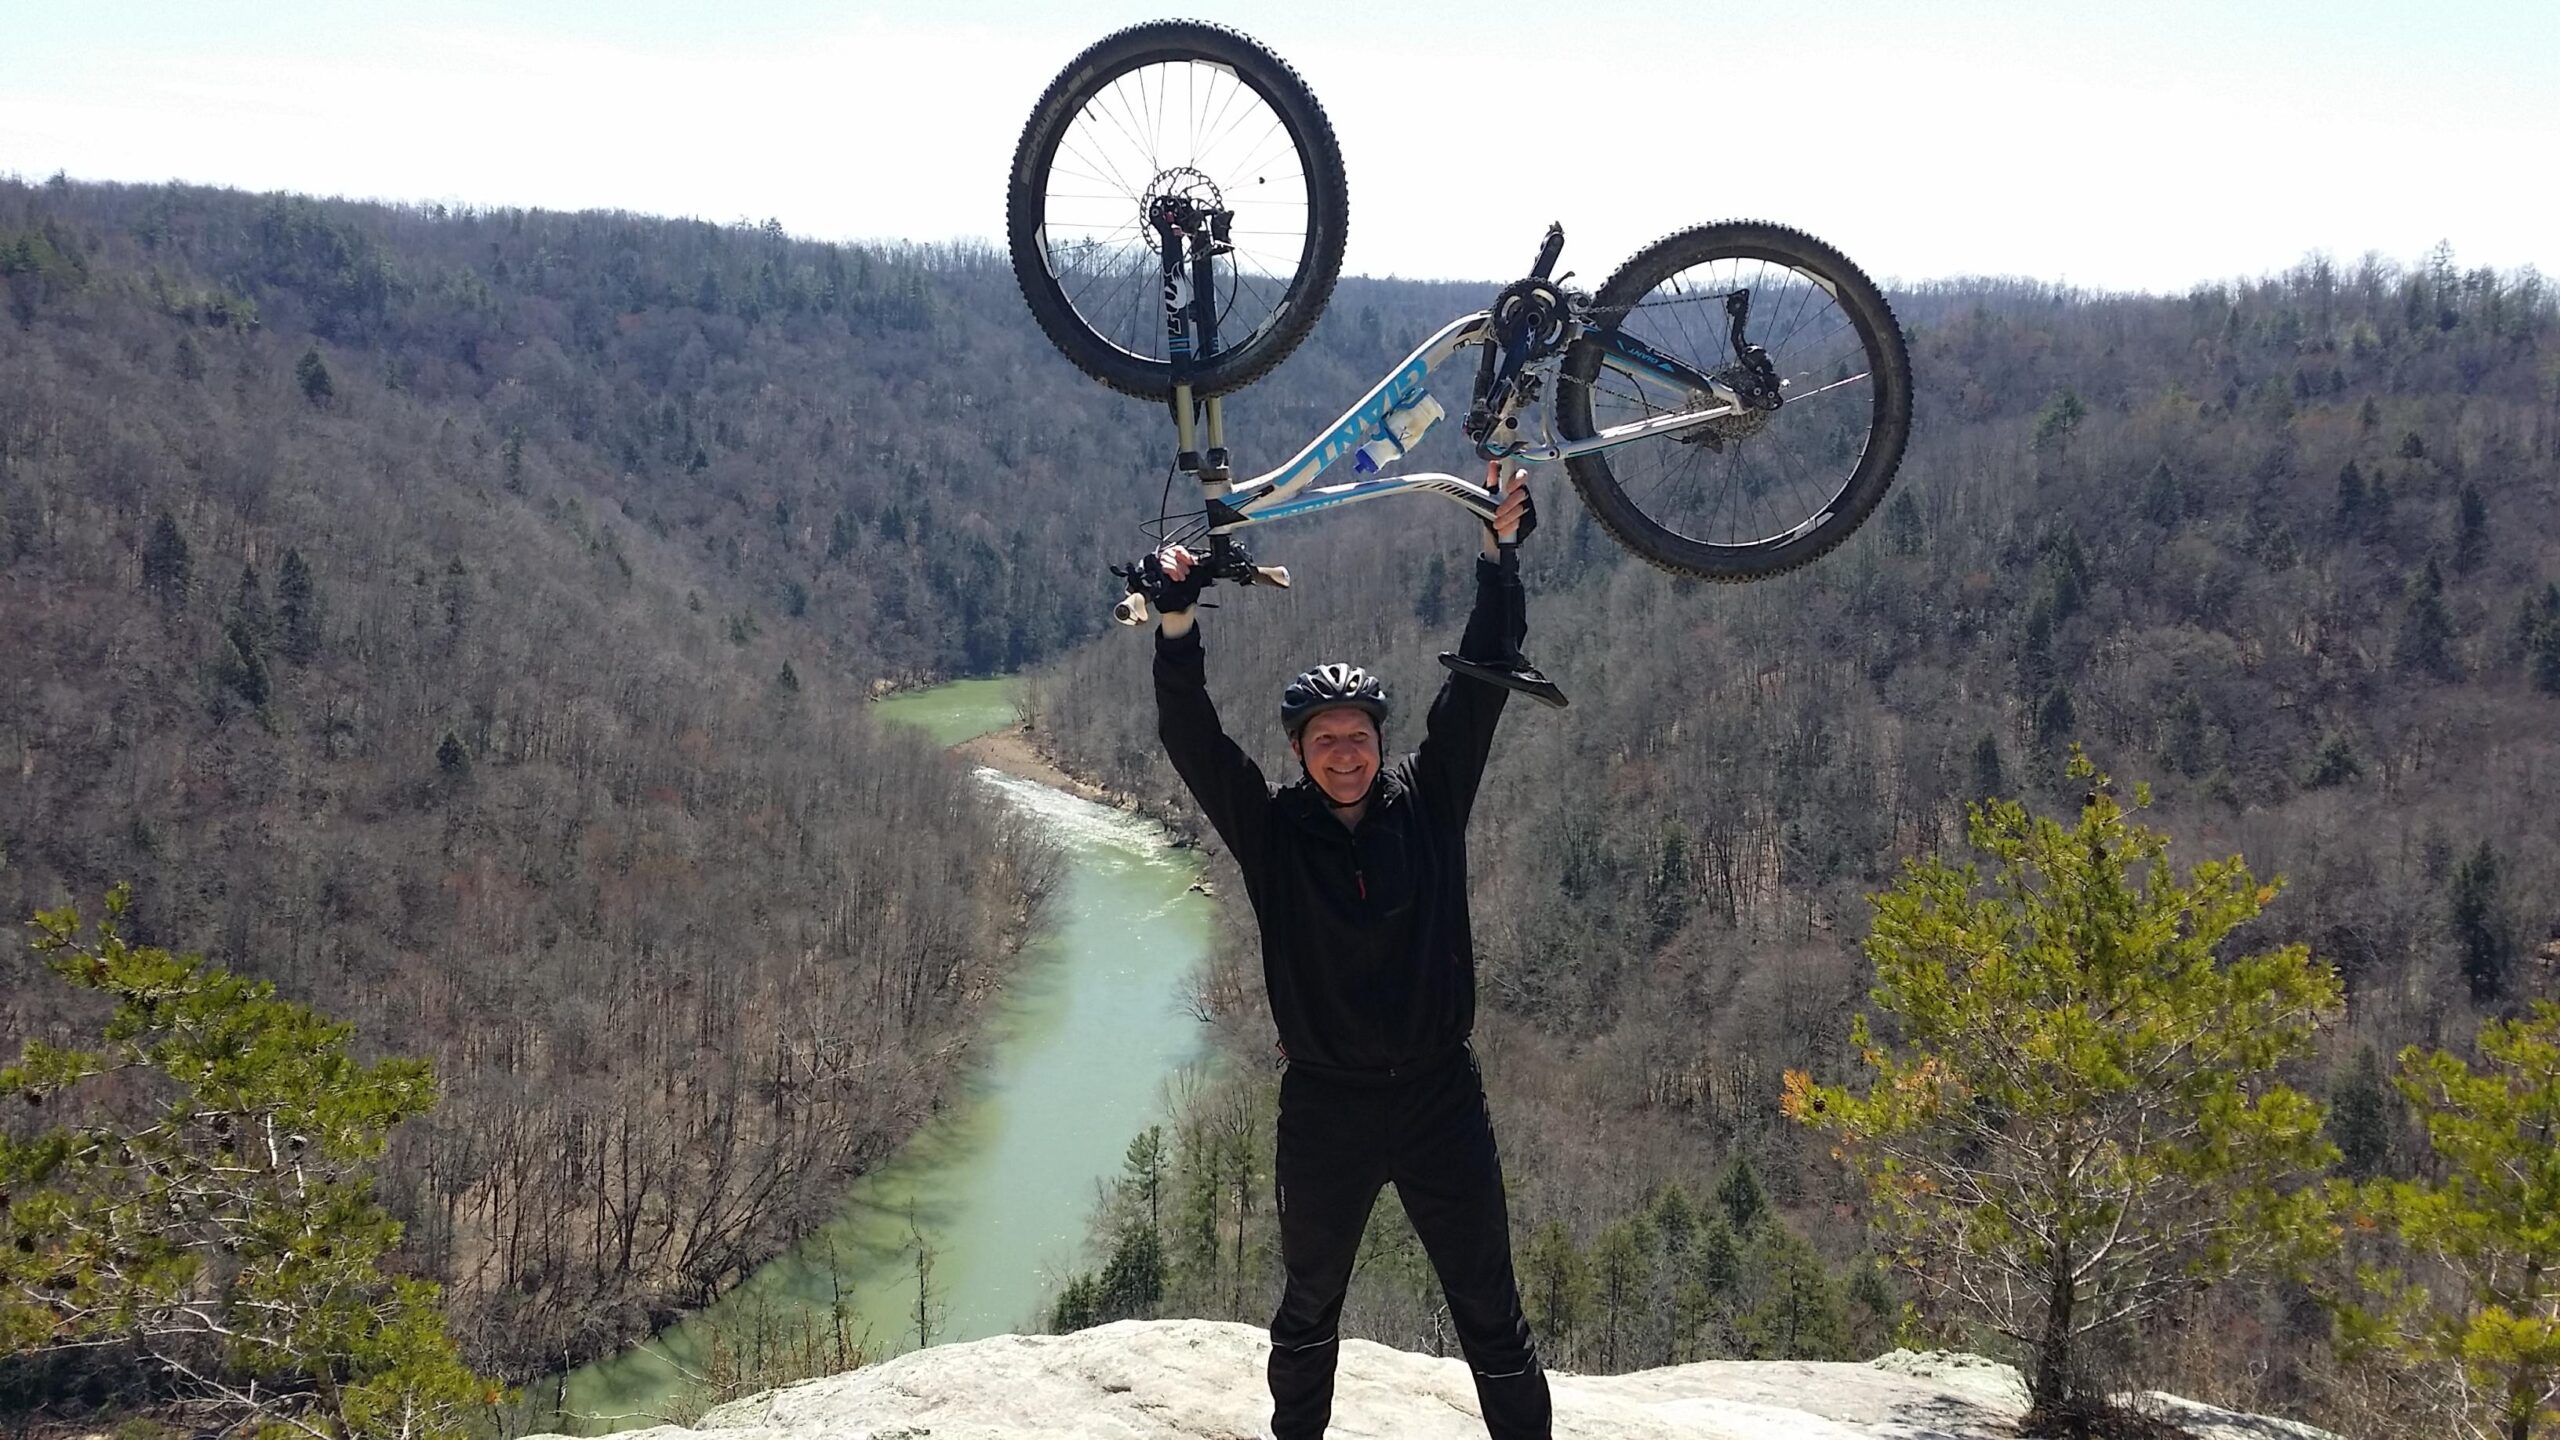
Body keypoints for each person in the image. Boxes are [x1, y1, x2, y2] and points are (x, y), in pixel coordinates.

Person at [1148, 469, 1551, 1440]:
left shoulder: (1430, 799)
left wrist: (1501, 556)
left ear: (1380, 742)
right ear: (1297, 751)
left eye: (1358, 736)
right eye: (1323, 739)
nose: (1343, 753)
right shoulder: (1273, 835)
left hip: (1438, 1097)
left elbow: (1484, 678)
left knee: (1492, 1317)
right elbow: (1192, 739)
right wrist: (1175, 626)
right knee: (1308, 1313)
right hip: (1324, 1105)